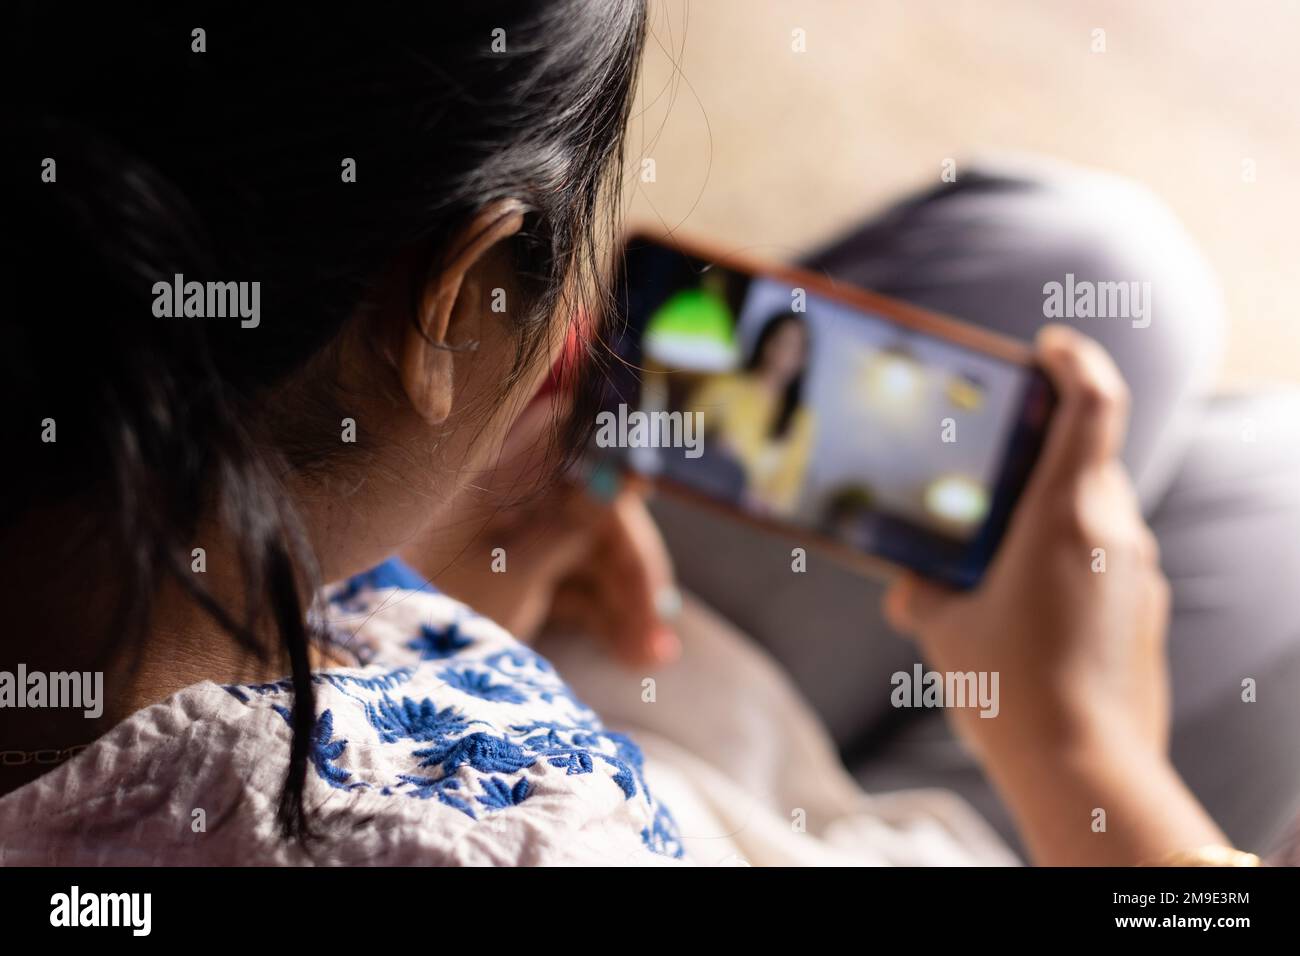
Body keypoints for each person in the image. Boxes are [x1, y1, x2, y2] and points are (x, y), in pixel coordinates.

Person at [0, 4, 1268, 867]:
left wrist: (396, 578)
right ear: (448, 297)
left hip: (517, 651)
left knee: (1108, 273)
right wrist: (1085, 753)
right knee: (1268, 505)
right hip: (797, 812)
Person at [687, 312, 817, 515]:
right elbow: (681, 438)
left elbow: (787, 496)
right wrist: (710, 443)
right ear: (766, 343)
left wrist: (754, 498)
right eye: (781, 341)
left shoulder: (801, 420)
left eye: (795, 347)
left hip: (748, 520)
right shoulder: (724, 387)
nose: (785, 352)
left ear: (803, 359)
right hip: (699, 497)